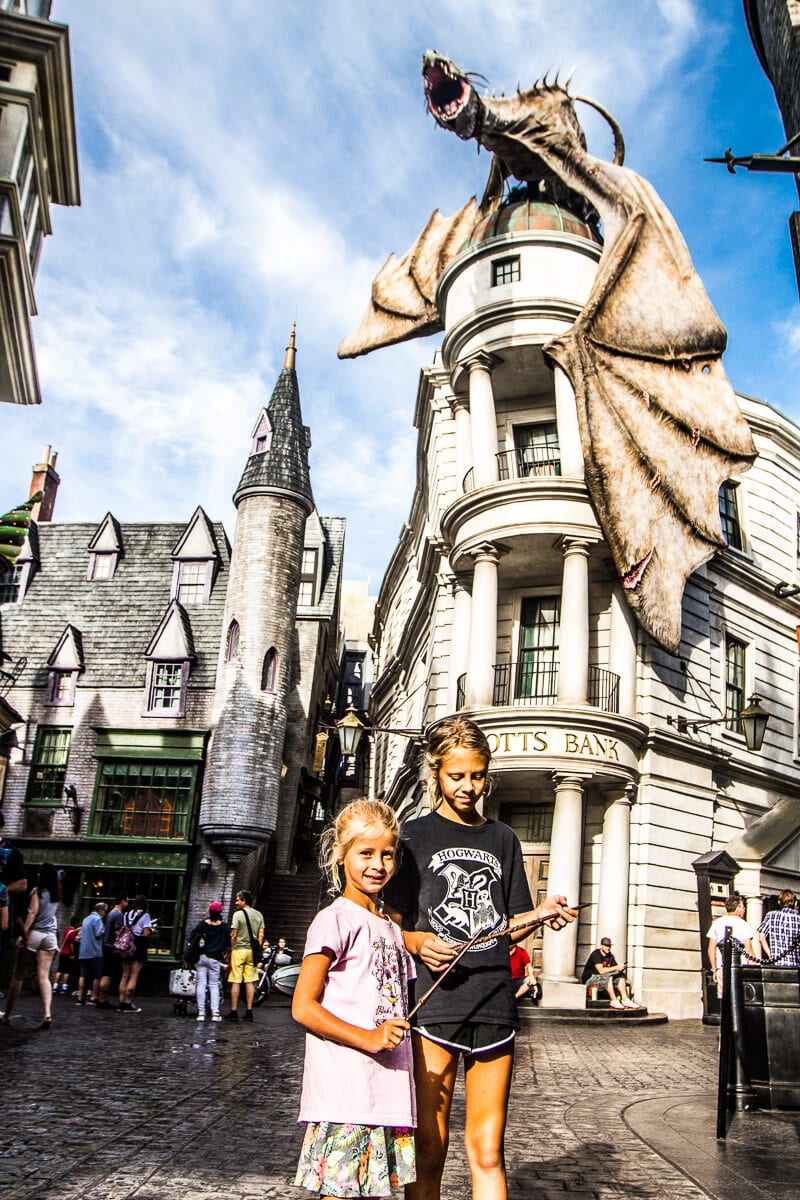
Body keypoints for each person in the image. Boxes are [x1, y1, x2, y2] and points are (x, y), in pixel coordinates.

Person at [384, 715, 576, 1200]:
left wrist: (540, 913)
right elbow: (389, 924)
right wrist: (416, 942)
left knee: (488, 1151)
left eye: (477, 775)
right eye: (457, 776)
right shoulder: (412, 837)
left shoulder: (503, 839)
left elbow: (504, 926)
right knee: (429, 1147)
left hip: (494, 1003)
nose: (468, 786)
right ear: (436, 774)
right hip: (433, 1008)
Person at [292, 797, 416, 1199]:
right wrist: (368, 1038)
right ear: (341, 855)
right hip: (345, 1093)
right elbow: (303, 1006)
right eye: (366, 853)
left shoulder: (391, 928)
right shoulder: (334, 919)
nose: (378, 865)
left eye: (387, 854)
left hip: (388, 1092)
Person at [1, 861, 60, 1029]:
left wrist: (23, 934)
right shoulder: (56, 894)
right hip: (50, 936)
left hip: (35, 934)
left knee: (18, 976)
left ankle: (8, 1015)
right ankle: (47, 1013)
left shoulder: (37, 891)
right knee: (44, 976)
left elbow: (33, 913)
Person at [706, 894, 762, 993]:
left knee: (723, 997)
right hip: (740, 968)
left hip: (721, 967)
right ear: (738, 908)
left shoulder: (717, 923)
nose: (744, 909)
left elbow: (711, 949)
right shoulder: (744, 924)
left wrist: (714, 969)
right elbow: (749, 950)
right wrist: (752, 970)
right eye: (743, 907)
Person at [186, 900, 229, 1021]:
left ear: (209, 911)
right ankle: (215, 1014)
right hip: (215, 958)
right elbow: (228, 943)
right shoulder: (224, 927)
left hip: (201, 957)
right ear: (220, 912)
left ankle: (201, 1013)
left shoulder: (202, 924)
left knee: (201, 984)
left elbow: (191, 938)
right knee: (214, 985)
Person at [226, 889, 264, 1021]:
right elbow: (261, 935)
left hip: (239, 950)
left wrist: (231, 948)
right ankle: (249, 1011)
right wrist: (257, 949)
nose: (236, 902)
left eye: (238, 900)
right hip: (252, 952)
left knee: (236, 980)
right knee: (250, 981)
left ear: (244, 901)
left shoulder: (237, 915)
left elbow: (233, 934)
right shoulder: (259, 915)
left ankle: (234, 1010)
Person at [581, 937, 641, 1009]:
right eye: (606, 946)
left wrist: (620, 968)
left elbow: (615, 969)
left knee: (621, 977)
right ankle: (614, 1000)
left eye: (609, 946)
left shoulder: (610, 956)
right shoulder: (596, 954)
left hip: (602, 979)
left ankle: (625, 999)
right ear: (601, 945)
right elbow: (601, 971)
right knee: (608, 977)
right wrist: (616, 968)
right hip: (590, 980)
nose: (608, 948)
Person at [118, 894, 154, 1012]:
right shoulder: (145, 915)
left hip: (126, 945)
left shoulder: (127, 914)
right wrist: (151, 931)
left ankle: (121, 1001)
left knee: (124, 975)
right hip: (138, 946)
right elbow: (145, 933)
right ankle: (128, 1002)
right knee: (134, 975)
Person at [97, 895, 128, 1008]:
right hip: (111, 947)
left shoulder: (110, 913)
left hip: (105, 945)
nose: (127, 904)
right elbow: (117, 931)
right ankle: (103, 1000)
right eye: (126, 901)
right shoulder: (119, 915)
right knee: (108, 974)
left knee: (104, 973)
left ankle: (100, 999)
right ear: (122, 901)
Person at [758, 890, 800, 967]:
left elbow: (761, 937)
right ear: (795, 903)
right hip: (796, 965)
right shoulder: (798, 919)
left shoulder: (771, 916)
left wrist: (770, 955)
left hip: (777, 963)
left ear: (779, 902)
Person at [76, 902, 108, 1005]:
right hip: (94, 951)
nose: (105, 914)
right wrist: (104, 930)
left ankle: (80, 998)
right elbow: (98, 934)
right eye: (105, 911)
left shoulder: (86, 919)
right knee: (97, 975)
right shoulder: (97, 919)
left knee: (83, 975)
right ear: (101, 910)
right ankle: (93, 997)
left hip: (83, 951)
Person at [54, 917, 80, 994]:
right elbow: (71, 944)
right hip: (68, 953)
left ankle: (55, 986)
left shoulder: (67, 930)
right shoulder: (73, 933)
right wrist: (73, 954)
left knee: (60, 970)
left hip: (62, 952)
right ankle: (64, 987)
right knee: (67, 971)